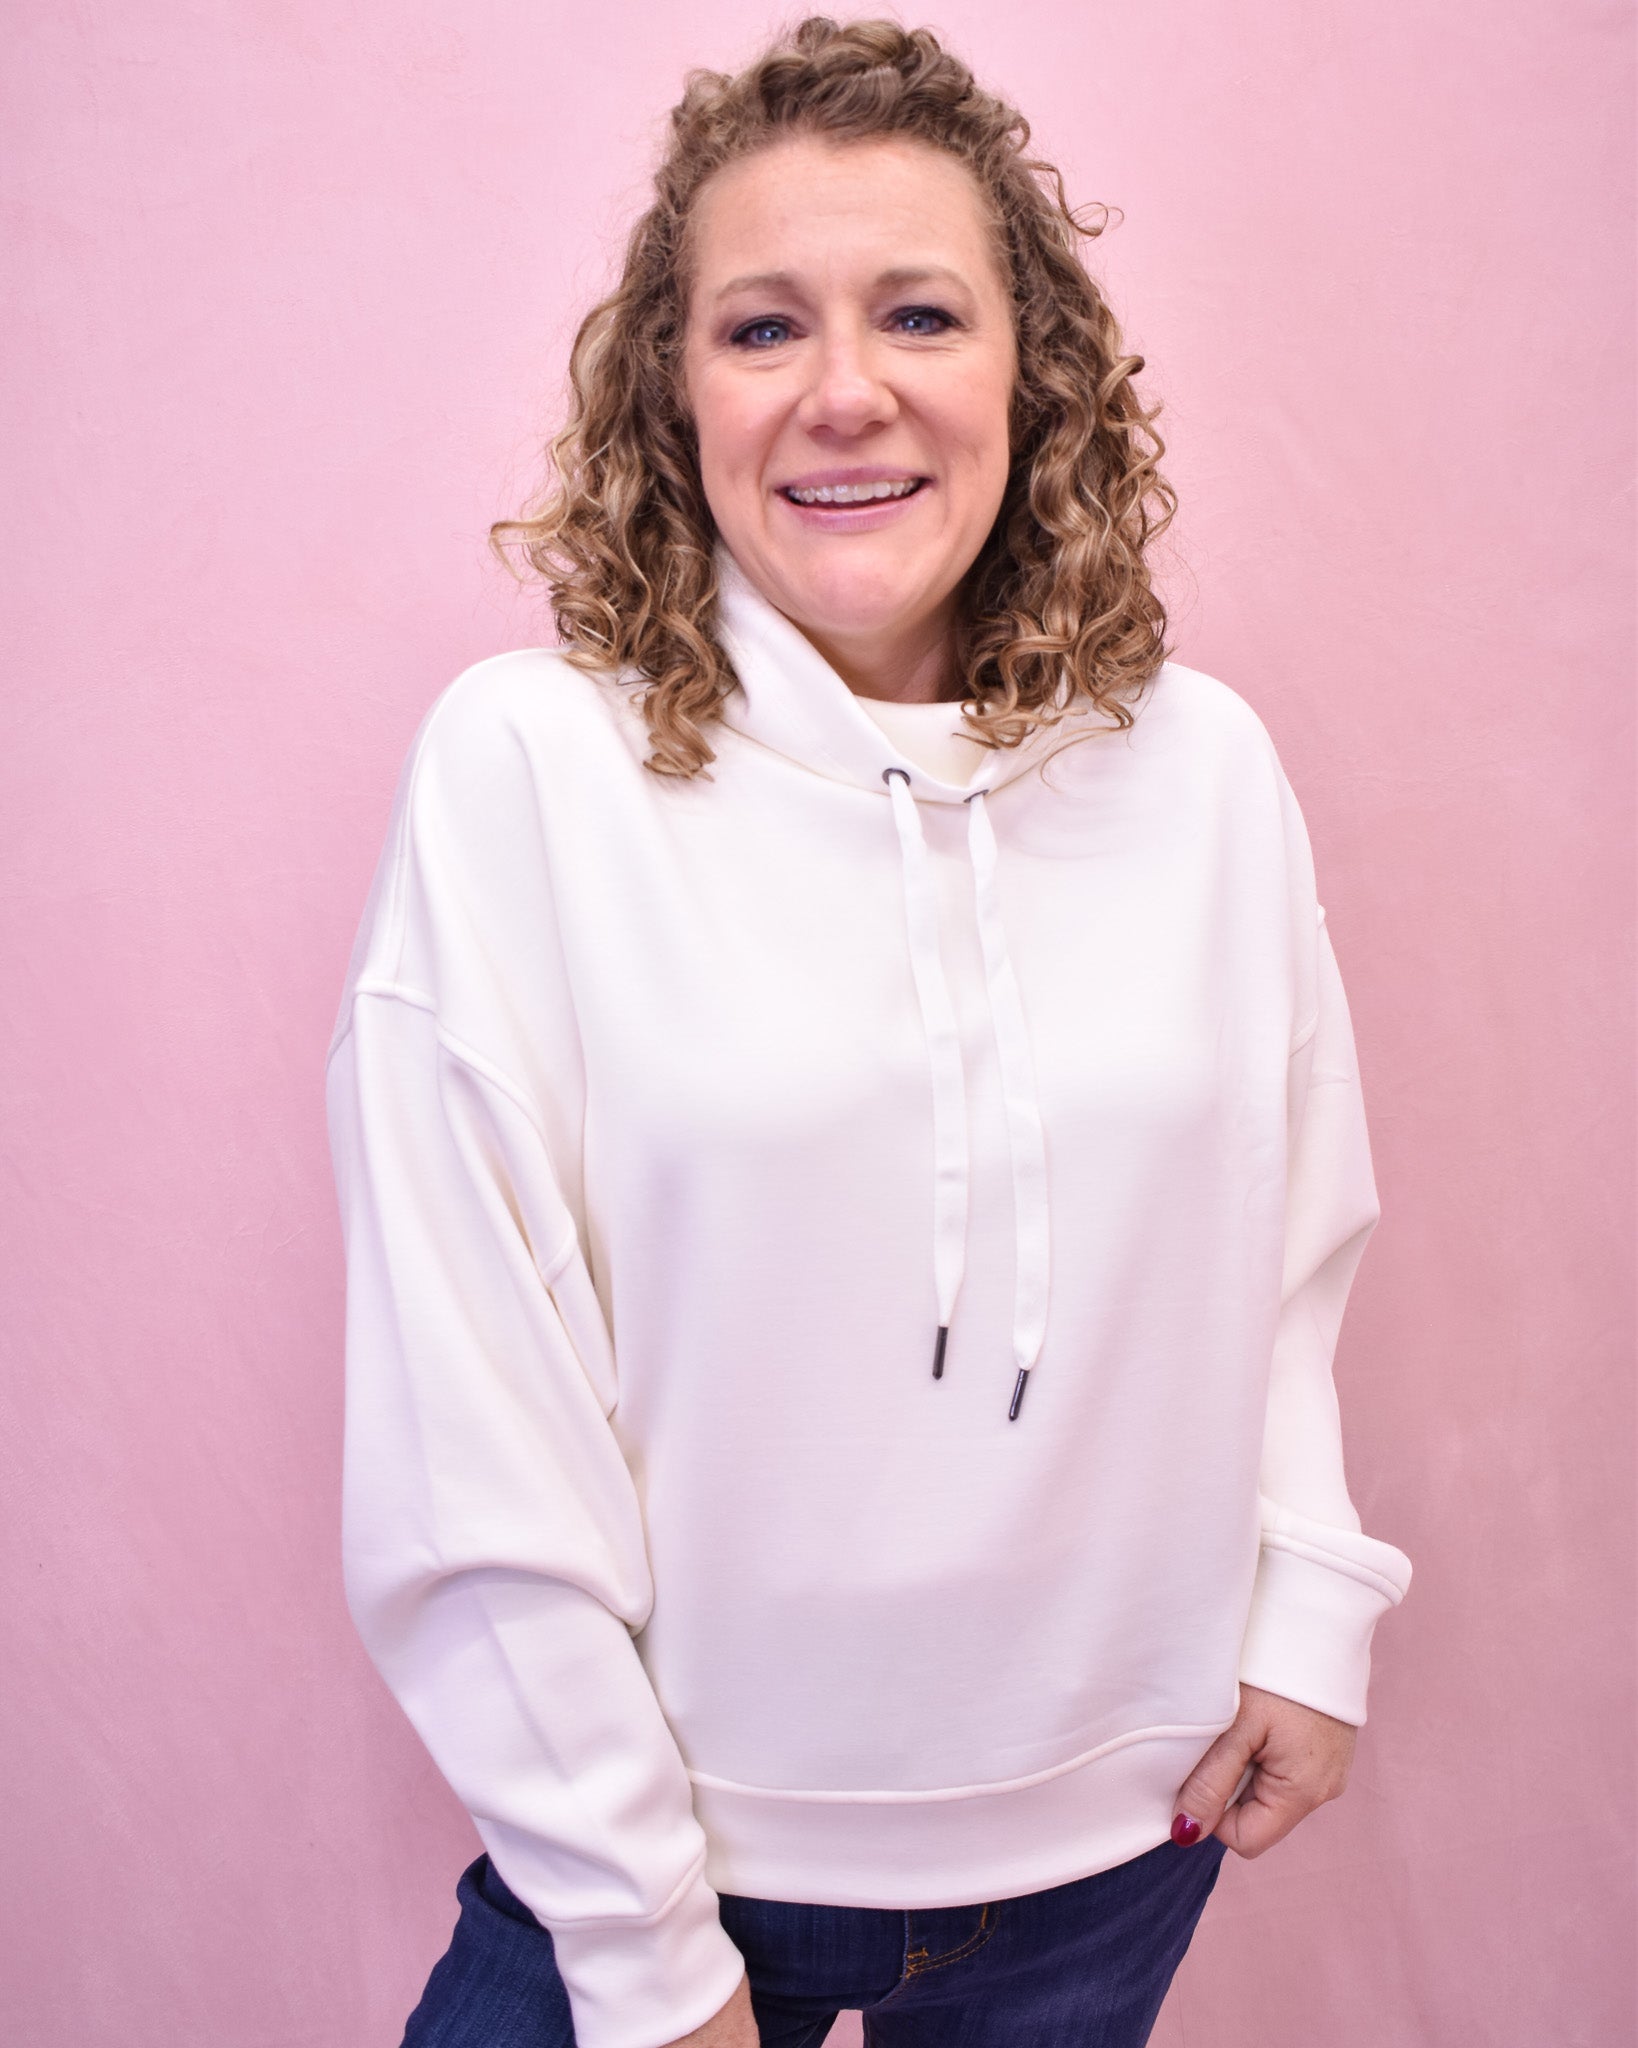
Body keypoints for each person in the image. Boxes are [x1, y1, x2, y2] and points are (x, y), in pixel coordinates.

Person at [323, 17, 1414, 2048]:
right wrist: (648, 1952)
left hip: (1117, 1847)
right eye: (761, 328)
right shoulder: (530, 773)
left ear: (1033, 370)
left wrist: (1310, 1603)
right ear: (673, 386)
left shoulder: (1200, 770)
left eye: (919, 311)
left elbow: (1283, 1238)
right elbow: (471, 1404)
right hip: (671, 1872)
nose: (847, 391)